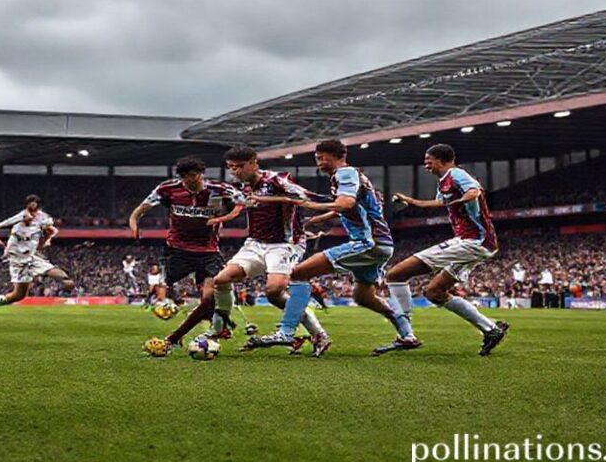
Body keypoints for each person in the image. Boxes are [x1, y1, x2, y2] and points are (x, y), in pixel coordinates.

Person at [246, 139, 418, 355]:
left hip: (366, 243)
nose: (318, 162)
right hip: (382, 244)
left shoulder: (344, 174)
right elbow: (351, 205)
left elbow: (345, 203)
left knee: (299, 273)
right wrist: (320, 218)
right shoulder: (353, 176)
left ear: (337, 156)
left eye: (321, 158)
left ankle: (286, 332)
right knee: (363, 296)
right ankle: (407, 334)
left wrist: (309, 205)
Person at [386, 144, 508, 356]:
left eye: (428, 160)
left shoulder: (456, 174)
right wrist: (411, 201)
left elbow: (474, 190)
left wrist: (460, 201)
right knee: (434, 292)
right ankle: (491, 329)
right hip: (475, 243)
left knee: (396, 275)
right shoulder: (444, 181)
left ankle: (406, 335)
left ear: (442, 160)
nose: (426, 164)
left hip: (472, 241)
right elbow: (438, 203)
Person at [211, 145, 330, 357]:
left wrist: (270, 199)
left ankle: (318, 333)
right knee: (221, 280)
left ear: (253, 163)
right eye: (231, 168)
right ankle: (220, 327)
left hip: (284, 244)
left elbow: (303, 197)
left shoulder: (277, 180)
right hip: (255, 244)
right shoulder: (244, 188)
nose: (235, 172)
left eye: (239, 167)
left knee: (274, 290)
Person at [129, 157, 243, 355]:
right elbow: (138, 211)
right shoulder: (168, 189)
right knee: (163, 286)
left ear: (201, 174)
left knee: (209, 298)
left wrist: (221, 218)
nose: (188, 180)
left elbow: (243, 204)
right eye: (184, 177)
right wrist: (134, 224)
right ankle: (212, 321)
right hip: (177, 250)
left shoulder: (219, 190)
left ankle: (174, 337)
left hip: (208, 252)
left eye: (192, 176)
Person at [0, 195, 74, 329]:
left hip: (31, 258)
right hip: (17, 261)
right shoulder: (18, 218)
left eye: (35, 207)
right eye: (30, 206)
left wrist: (46, 240)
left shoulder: (41, 219)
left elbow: (52, 230)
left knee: (54, 271)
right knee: (17, 296)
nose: (31, 215)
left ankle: (66, 281)